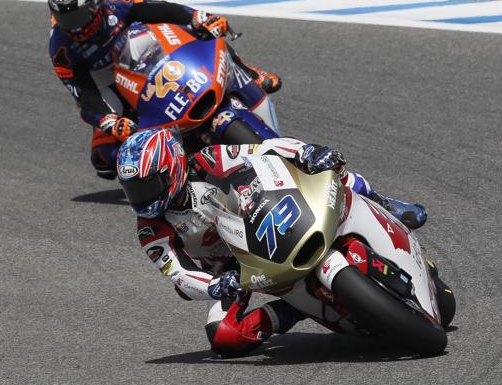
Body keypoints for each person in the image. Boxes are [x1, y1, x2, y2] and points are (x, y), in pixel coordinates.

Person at [117, 128, 427, 355]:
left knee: (327, 167)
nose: (141, 200)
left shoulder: (208, 161)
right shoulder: (150, 228)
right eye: (133, 190)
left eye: (146, 186)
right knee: (224, 337)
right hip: (233, 269)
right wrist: (215, 286)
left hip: (264, 216)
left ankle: (384, 202)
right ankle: (297, 307)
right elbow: (180, 275)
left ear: (170, 168)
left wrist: (304, 152)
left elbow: (266, 149)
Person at [48, 0, 281, 180]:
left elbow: (159, 9)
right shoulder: (61, 48)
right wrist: (110, 121)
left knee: (204, 33)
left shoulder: (118, 1)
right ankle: (177, 171)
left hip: (146, 53)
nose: (74, 26)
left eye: (77, 15)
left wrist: (198, 17)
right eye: (64, 17)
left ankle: (249, 73)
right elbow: (84, 94)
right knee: (104, 159)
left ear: (97, 2)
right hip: (108, 83)